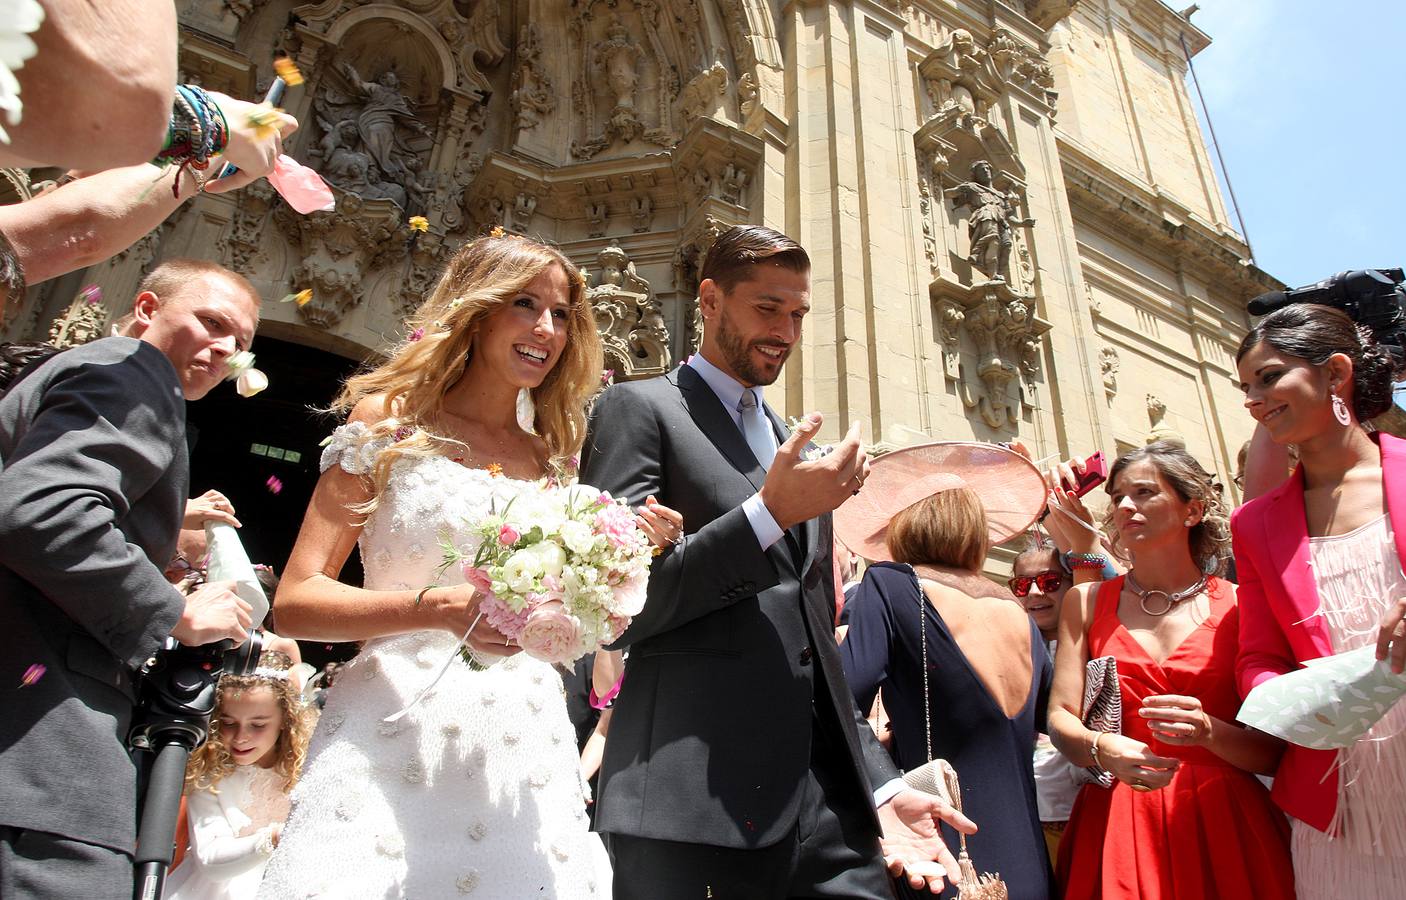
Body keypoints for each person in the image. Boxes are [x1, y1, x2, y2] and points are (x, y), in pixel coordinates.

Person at [255, 231, 681, 898]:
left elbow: (569, 610)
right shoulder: (388, 424)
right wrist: (440, 610)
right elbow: (297, 601)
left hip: (522, 739)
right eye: (525, 304)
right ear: (477, 310)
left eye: (563, 312)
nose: (547, 328)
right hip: (393, 727)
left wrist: (621, 553)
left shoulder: (553, 458)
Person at [581, 224, 976, 899]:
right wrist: (768, 515)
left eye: (798, 315)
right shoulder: (637, 409)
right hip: (689, 814)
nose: (786, 333)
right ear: (709, 299)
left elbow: (814, 647)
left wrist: (881, 786)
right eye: (767, 309)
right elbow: (615, 610)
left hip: (823, 812)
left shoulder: (800, 449)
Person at [0, 257, 261, 897]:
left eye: (242, 343)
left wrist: (165, 547)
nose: (226, 349)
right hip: (43, 739)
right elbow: (40, 508)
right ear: (146, 308)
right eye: (211, 322)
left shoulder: (94, 373)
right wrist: (173, 613)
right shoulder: (135, 373)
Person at [1048, 441, 1294, 900]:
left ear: (1192, 511)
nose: (1124, 505)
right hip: (1118, 818)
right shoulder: (1084, 601)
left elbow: (1277, 752)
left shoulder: (1243, 605)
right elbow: (1061, 718)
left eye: (1144, 493)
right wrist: (1102, 747)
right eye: (1118, 495)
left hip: (1225, 822)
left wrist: (1209, 733)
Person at [1233, 303, 1406, 897]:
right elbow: (1255, 656)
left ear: (1336, 374)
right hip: (1338, 798)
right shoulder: (1254, 525)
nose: (1254, 399)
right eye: (1246, 387)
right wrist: (1282, 700)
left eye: (1269, 376)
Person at [834, 441, 1053, 900]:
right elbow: (1049, 718)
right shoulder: (1015, 608)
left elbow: (841, 697)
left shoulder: (889, 583)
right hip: (1028, 852)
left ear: (905, 527)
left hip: (940, 845)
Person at [164, 650, 315, 900]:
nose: (241, 736)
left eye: (258, 725)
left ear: (286, 720)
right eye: (228, 723)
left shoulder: (308, 769)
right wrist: (273, 838)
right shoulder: (209, 775)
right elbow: (210, 859)